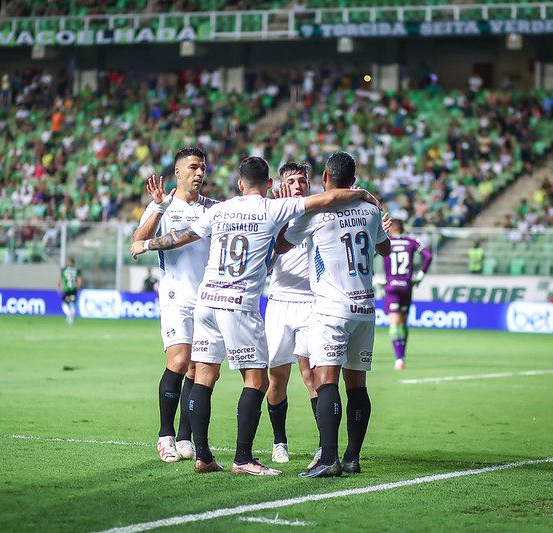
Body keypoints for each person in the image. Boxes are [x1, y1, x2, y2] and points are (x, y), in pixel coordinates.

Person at [131, 156, 377, 476]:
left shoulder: (219, 209)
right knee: (257, 380)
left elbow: (183, 236)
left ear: (240, 184)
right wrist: (360, 194)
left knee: (204, 375)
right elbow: (327, 198)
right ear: (270, 185)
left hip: (207, 302)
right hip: (238, 303)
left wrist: (147, 243)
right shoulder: (272, 209)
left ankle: (203, 455)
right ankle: (243, 458)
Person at [277, 151, 392, 478]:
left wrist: (287, 212)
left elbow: (281, 245)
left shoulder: (316, 213)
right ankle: (352, 457)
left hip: (331, 308)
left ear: (325, 179)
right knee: (357, 385)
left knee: (326, 380)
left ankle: (329, 458)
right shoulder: (370, 211)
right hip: (365, 309)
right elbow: (385, 249)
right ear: (353, 182)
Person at [132, 146, 217, 464]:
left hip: (207, 299)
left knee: (197, 368)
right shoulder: (163, 207)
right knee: (180, 361)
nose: (199, 173)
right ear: (178, 173)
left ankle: (185, 438)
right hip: (175, 296)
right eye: (193, 167)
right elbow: (138, 239)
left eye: (203, 168)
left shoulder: (214, 208)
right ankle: (165, 436)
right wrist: (157, 207)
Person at [263, 162, 318, 466]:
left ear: (310, 185)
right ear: (281, 184)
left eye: (302, 181)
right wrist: (281, 214)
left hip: (311, 303)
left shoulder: (318, 213)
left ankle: (325, 445)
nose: (298, 186)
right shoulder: (271, 214)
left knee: (312, 374)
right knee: (277, 378)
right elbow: (268, 258)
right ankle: (279, 442)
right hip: (280, 302)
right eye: (292, 181)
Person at [381, 219, 433, 371]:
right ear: (403, 229)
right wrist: (421, 275)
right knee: (403, 322)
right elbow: (428, 256)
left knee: (394, 322)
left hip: (391, 286)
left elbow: (369, 255)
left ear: (391, 229)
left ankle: (398, 360)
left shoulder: (386, 241)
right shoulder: (411, 242)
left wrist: (373, 276)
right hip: (406, 285)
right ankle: (402, 357)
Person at [59, 257, 82, 326]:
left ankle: (69, 315)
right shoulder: (77, 270)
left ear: (69, 262)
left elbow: (60, 279)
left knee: (64, 304)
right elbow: (79, 281)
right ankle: (71, 318)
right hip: (73, 290)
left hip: (66, 290)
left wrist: (58, 286)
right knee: (72, 304)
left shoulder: (64, 269)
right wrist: (78, 288)